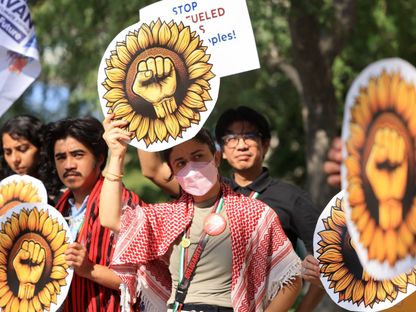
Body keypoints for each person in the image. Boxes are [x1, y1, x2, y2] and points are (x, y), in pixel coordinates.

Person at [100, 115, 302, 311]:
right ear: (173, 171)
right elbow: (111, 218)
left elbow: (292, 280)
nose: (191, 167)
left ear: (216, 157)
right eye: (181, 163)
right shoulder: (168, 217)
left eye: (198, 156)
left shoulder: (254, 213)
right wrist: (116, 154)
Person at [42, 116, 139, 312]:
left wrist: (90, 269)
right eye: (61, 157)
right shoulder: (52, 212)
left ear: (100, 158)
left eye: (78, 155)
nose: (69, 165)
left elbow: (143, 282)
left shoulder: (126, 204)